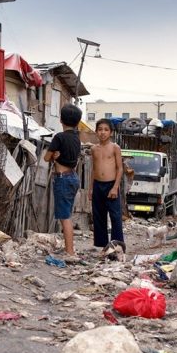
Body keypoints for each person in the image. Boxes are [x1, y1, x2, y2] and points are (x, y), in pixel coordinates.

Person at [44, 103, 82, 258]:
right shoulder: (76, 139)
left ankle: (70, 251)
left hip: (63, 178)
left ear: (61, 120)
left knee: (64, 217)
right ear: (78, 122)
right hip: (73, 177)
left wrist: (53, 155)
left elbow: (46, 158)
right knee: (67, 215)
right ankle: (69, 248)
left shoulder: (59, 137)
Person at [88, 118, 124, 248]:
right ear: (96, 132)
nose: (103, 132)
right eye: (100, 129)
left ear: (111, 133)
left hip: (111, 185)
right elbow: (94, 169)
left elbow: (120, 168)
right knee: (99, 216)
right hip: (98, 185)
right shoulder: (93, 149)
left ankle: (117, 245)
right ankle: (102, 246)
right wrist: (91, 189)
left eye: (106, 130)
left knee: (115, 216)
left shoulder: (115, 148)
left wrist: (115, 187)